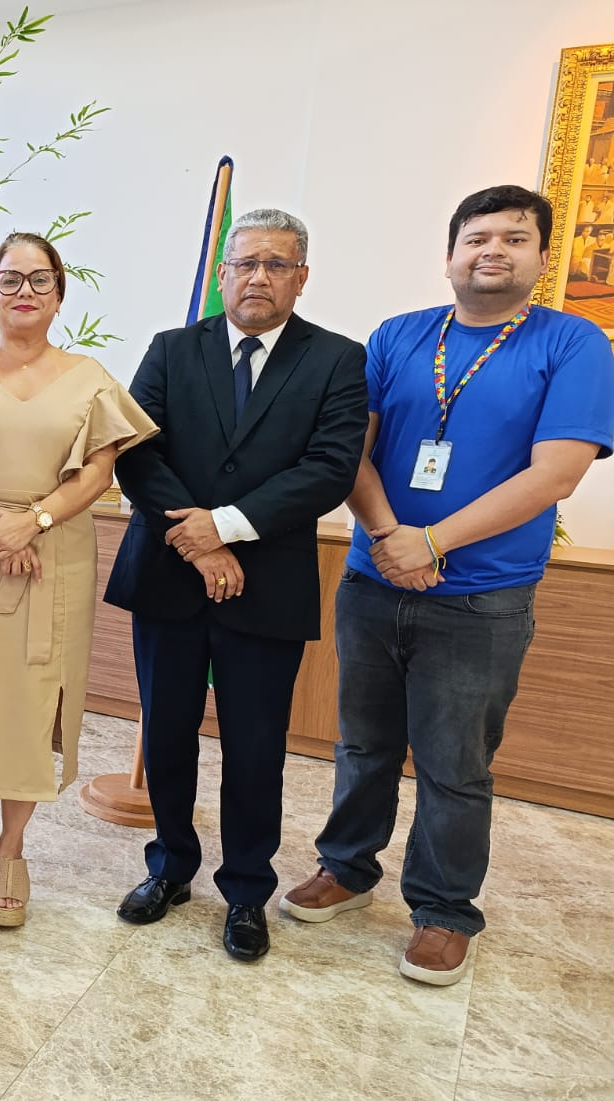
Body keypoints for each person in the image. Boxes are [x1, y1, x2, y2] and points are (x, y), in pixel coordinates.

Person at [281, 185, 614, 985]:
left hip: (483, 598)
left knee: (454, 761)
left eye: (512, 239)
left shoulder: (575, 344)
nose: (491, 251)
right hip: (373, 581)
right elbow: (347, 450)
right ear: (450, 254)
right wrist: (393, 539)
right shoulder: (398, 336)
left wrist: (431, 542)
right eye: (476, 238)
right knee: (361, 742)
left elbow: (556, 475)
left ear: (539, 258)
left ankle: (442, 910)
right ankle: (349, 868)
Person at [105, 208, 367, 962]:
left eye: (276, 264)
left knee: (255, 748)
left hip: (268, 582)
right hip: (169, 576)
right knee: (167, 732)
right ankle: (170, 868)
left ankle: (246, 890)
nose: (258, 277)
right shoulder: (170, 349)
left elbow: (328, 467)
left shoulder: (336, 361)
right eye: (245, 262)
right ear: (222, 274)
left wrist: (225, 527)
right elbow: (136, 453)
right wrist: (197, 540)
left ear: (302, 277)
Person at [0, 233, 157, 927]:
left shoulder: (90, 377)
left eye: (39, 281)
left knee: (31, 705)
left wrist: (34, 521)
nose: (24, 293)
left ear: (59, 294)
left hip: (56, 553)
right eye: (10, 280)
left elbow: (99, 474)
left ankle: (12, 850)